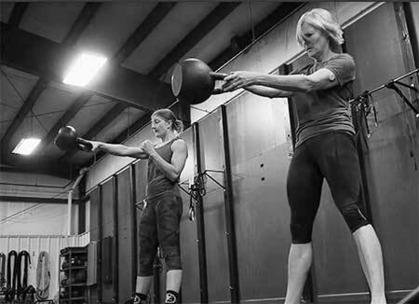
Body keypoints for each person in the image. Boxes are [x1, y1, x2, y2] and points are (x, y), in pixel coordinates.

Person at [221, 8, 386, 304]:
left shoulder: (343, 62)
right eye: (301, 40)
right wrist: (242, 83)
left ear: (326, 32)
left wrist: (251, 74)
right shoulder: (302, 72)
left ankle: (378, 297)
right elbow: (274, 92)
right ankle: (291, 301)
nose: (305, 44)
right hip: (305, 146)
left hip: (335, 136)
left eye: (308, 37)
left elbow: (310, 85)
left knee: (352, 211)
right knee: (299, 226)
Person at [86, 109, 188, 304]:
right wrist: (99, 144)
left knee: (170, 249)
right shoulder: (153, 147)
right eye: (151, 122)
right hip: (150, 203)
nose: (152, 126)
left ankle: (171, 298)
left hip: (168, 199)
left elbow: (174, 173)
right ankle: (139, 299)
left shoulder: (178, 144)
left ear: (168, 123)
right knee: (145, 253)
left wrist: (152, 152)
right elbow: (123, 150)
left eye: (157, 122)